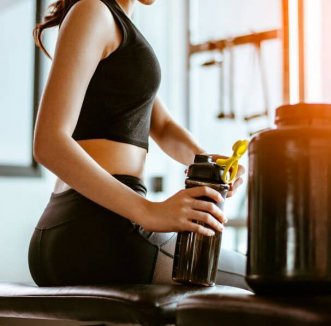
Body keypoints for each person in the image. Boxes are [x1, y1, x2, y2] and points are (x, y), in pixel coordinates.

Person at [28, 0, 248, 289]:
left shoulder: (120, 29)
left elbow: (164, 126)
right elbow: (49, 143)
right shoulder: (93, 9)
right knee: (267, 280)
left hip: (78, 230)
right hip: (101, 230)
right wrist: (149, 212)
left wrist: (209, 162)